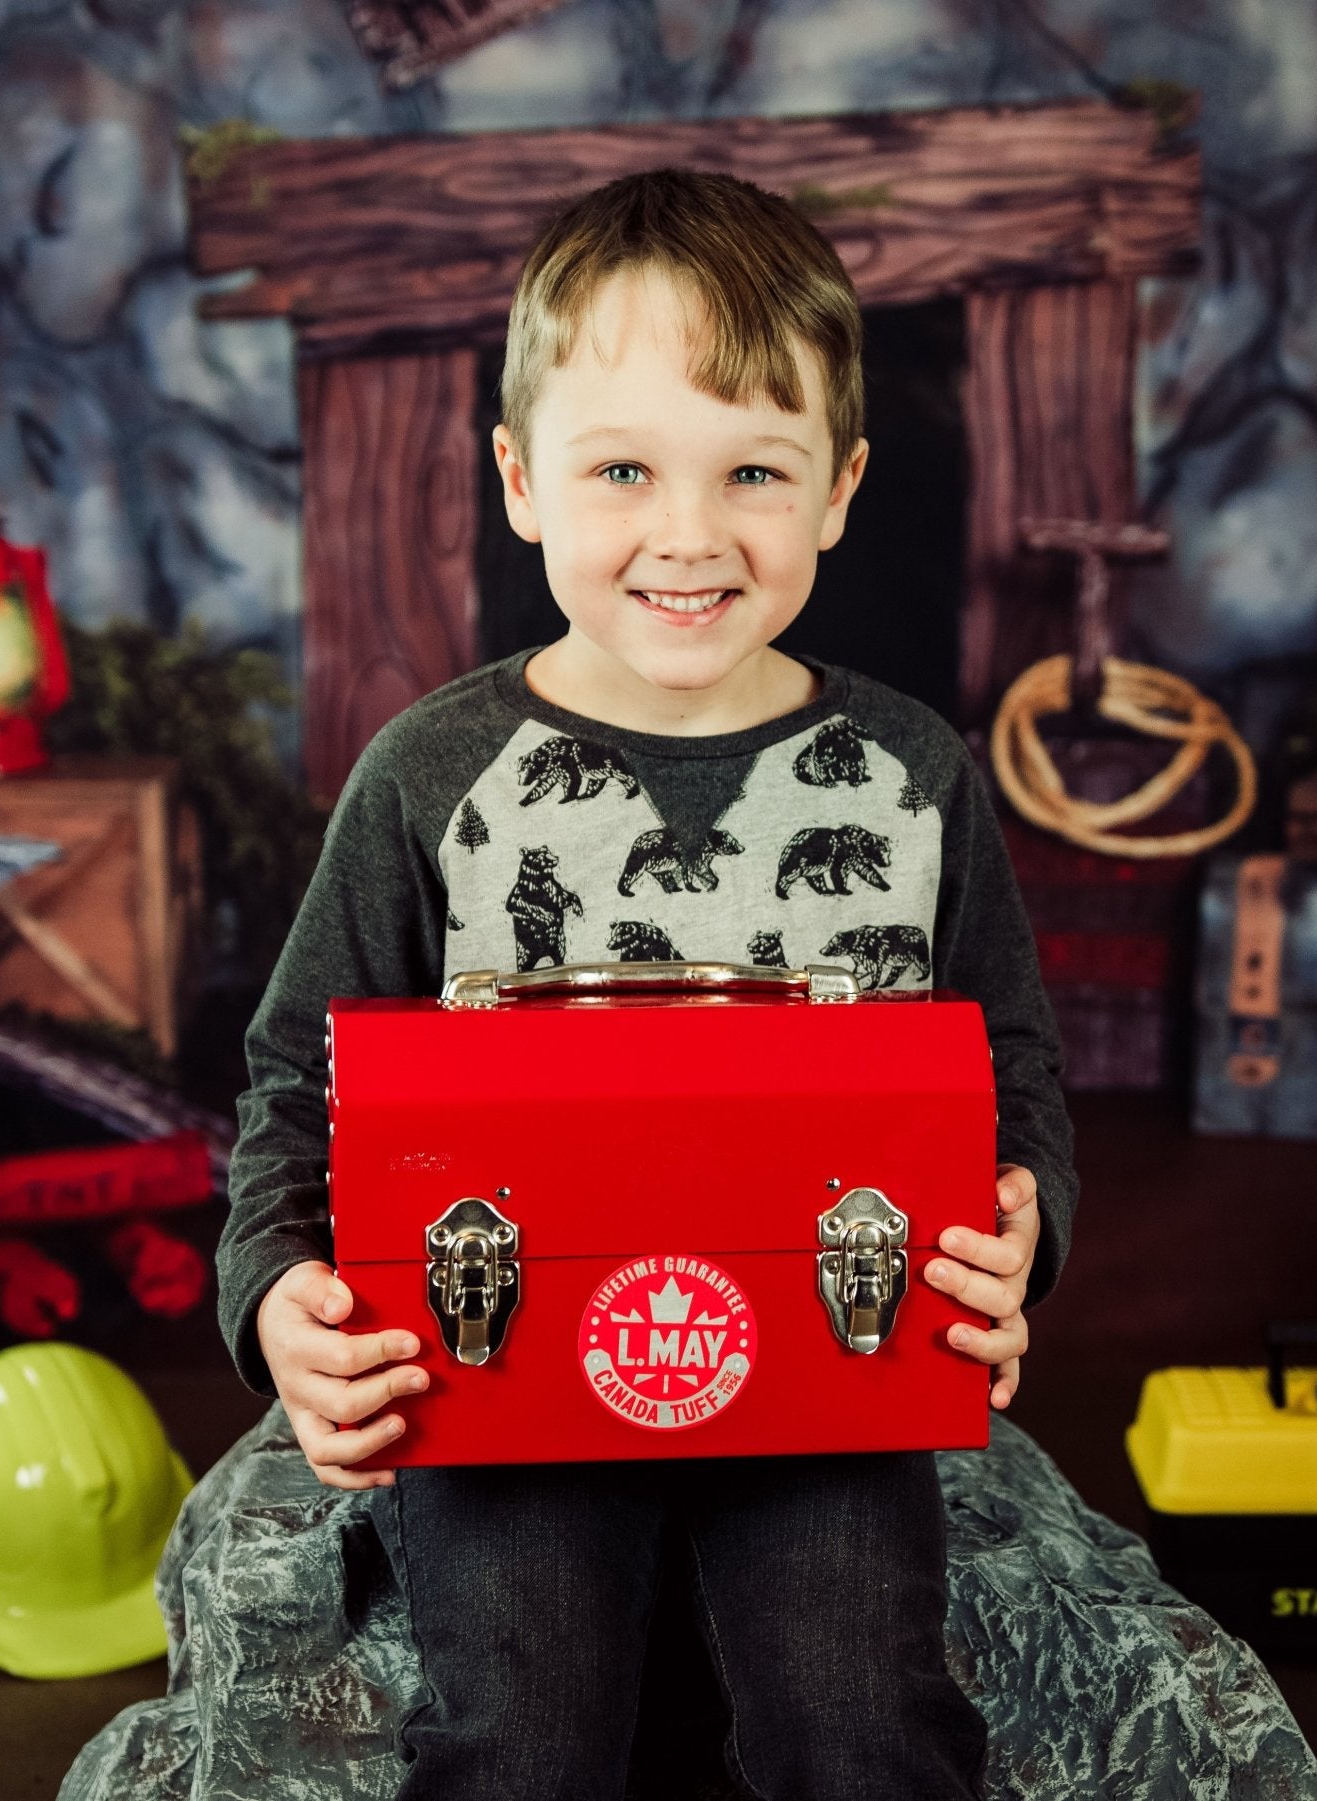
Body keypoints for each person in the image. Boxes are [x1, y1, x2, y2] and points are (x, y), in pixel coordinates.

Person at [217, 167, 1079, 1800]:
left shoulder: (910, 776)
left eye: (755, 469)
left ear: (840, 489)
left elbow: (1010, 1073)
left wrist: (1025, 1224)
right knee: (524, 1736)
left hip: (833, 1367)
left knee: (864, 1716)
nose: (689, 535)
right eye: (624, 468)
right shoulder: (430, 775)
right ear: (521, 480)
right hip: (502, 1372)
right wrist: (279, 1303)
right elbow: (287, 1090)